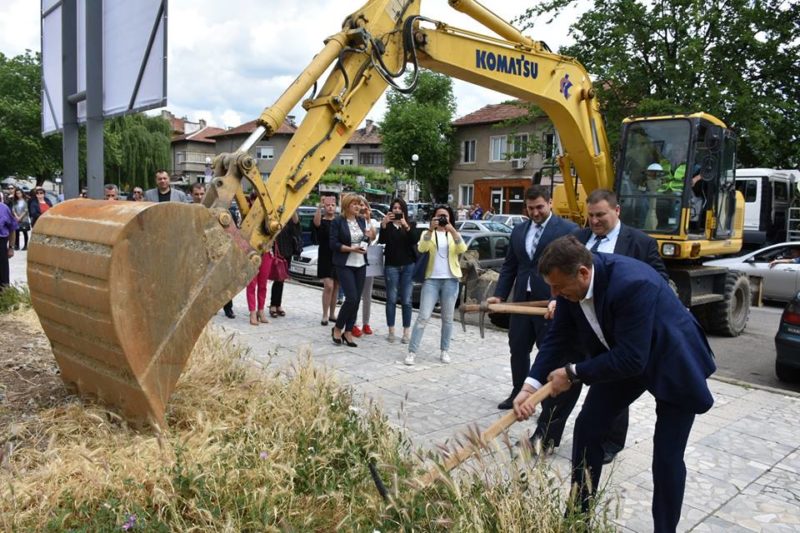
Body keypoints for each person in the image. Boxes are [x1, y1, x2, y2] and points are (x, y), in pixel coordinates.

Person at [513, 235, 715, 533]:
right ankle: (577, 520)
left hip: (671, 361)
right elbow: (558, 338)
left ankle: (665, 529)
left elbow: (633, 358)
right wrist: (529, 387)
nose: (553, 294)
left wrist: (571, 373)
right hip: (624, 357)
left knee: (666, 457)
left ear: (583, 272)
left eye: (558, 287)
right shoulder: (570, 290)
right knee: (588, 428)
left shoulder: (632, 283)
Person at [531, 189, 668, 461]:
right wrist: (557, 300)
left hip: (616, 336)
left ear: (617, 211)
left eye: (600, 215)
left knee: (612, 388)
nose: (594, 221)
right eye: (590, 215)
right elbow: (560, 279)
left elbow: (659, 282)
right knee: (562, 380)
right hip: (579, 331)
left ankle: (608, 443)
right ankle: (546, 435)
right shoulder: (576, 240)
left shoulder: (640, 243)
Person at [489, 185, 578, 410]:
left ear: (550, 203)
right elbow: (510, 266)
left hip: (552, 303)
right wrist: (499, 296)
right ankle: (519, 392)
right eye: (531, 208)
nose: (535, 212)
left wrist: (562, 298)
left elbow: (574, 268)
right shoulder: (519, 231)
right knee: (517, 348)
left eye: (540, 207)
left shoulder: (568, 230)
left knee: (549, 353)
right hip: (521, 303)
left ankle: (547, 402)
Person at [405, 204, 467, 365]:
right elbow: (422, 248)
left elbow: (462, 249)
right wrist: (431, 230)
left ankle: (444, 350)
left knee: (447, 318)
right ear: (433, 218)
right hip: (431, 279)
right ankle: (412, 352)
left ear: (450, 218)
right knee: (423, 316)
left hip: (451, 279)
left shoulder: (453, 233)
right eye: (438, 216)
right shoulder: (428, 233)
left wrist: (452, 230)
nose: (441, 218)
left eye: (444, 216)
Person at [330, 193, 374, 347]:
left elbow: (369, 239)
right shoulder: (338, 222)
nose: (358, 207)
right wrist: (351, 249)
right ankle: (337, 327)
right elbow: (333, 244)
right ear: (347, 206)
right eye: (354, 204)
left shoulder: (362, 221)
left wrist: (369, 228)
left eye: (359, 204)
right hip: (345, 264)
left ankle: (348, 331)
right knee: (352, 298)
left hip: (360, 264)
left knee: (356, 300)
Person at [379, 198, 416, 343]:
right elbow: (382, 241)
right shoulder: (387, 226)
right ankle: (391, 331)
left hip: (408, 265)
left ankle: (406, 332)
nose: (397, 210)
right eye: (394, 208)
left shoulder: (410, 224)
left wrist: (405, 225)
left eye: (399, 208)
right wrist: (383, 224)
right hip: (391, 266)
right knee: (391, 299)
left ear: (404, 210)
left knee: (406, 300)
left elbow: (414, 240)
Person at [244, 191, 274, 326]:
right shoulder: (246, 215)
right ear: (250, 201)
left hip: (266, 252)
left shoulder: (269, 216)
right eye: (254, 201)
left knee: (263, 284)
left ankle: (261, 310)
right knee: (251, 284)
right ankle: (252, 312)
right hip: (251, 253)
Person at [269, 212, 302, 318]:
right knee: (277, 279)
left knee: (281, 280)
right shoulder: (274, 218)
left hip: (287, 252)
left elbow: (296, 223)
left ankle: (277, 305)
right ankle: (274, 305)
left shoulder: (289, 218)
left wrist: (294, 208)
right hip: (278, 252)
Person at [353, 199, 378, 337]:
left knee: (367, 295)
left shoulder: (371, 222)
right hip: (355, 260)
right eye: (359, 205)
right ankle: (353, 323)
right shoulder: (352, 222)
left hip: (368, 261)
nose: (361, 208)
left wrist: (368, 219)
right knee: (354, 294)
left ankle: (366, 323)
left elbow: (372, 237)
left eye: (364, 206)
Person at [313, 195, 339, 325]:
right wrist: (319, 206)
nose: (330, 207)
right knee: (328, 286)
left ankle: (333, 314)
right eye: (328, 205)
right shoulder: (322, 220)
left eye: (333, 205)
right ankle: (324, 314)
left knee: (336, 287)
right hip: (325, 256)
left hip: (337, 256)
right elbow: (316, 223)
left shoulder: (339, 221)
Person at [0, 200, 17, 288]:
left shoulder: (3, 208)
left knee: (3, 276)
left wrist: (11, 247)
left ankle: (4, 298)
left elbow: (12, 228)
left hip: (1, 244)